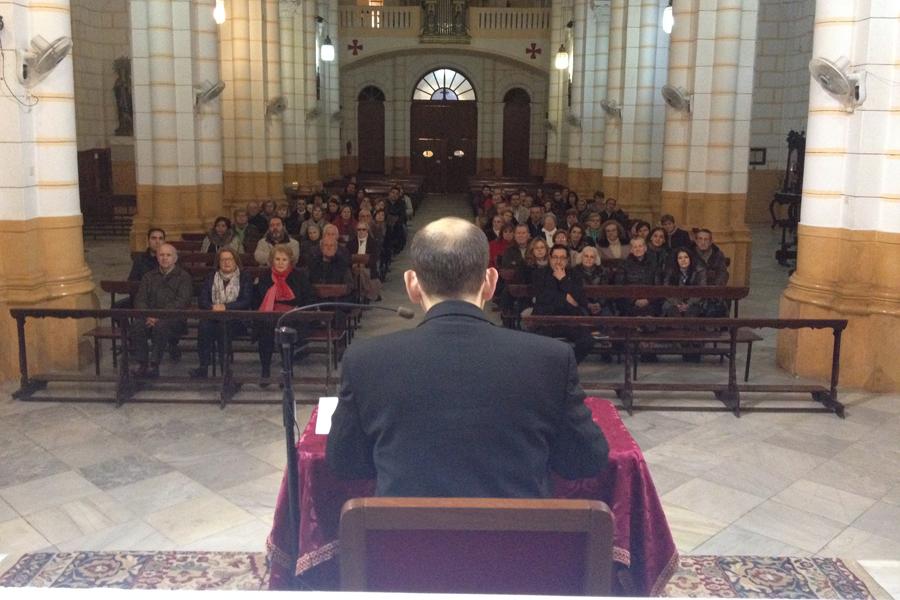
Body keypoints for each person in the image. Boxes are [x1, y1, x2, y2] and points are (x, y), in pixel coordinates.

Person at [326, 217, 608, 498]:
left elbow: (346, 465)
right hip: (515, 540)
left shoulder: (365, 361)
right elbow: (585, 460)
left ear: (412, 284)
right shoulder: (551, 360)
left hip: (408, 541)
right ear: (490, 282)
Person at [129, 243, 193, 378]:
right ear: (157, 258)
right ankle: (142, 364)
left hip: (174, 319)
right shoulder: (149, 276)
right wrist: (148, 315)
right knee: (137, 325)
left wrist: (159, 316)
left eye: (168, 255)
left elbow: (182, 301)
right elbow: (140, 299)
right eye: (161, 255)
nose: (165, 258)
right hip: (148, 318)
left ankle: (154, 365)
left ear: (175, 258)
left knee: (161, 326)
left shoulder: (183, 277)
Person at [189, 248, 254, 378]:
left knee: (222, 326)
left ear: (236, 261)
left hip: (237, 319)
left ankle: (225, 370)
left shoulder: (244, 277)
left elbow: (246, 301)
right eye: (223, 259)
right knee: (204, 325)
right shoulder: (211, 276)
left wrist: (226, 307)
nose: (226, 262)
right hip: (213, 316)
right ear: (218, 262)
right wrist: (213, 307)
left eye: (229, 259)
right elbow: (202, 300)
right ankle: (203, 366)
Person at [254, 244, 316, 380]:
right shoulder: (265, 277)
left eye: (284, 259)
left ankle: (287, 370)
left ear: (290, 261)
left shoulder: (299, 276)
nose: (280, 263)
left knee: (285, 330)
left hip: (294, 317)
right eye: (277, 259)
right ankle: (265, 370)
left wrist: (298, 310)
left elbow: (309, 298)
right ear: (272, 261)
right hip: (270, 316)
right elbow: (258, 299)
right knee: (265, 332)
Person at [531, 245, 594, 363]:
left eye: (562, 258)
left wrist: (563, 279)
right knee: (535, 343)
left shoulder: (575, 274)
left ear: (567, 260)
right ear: (550, 258)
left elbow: (580, 300)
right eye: (555, 257)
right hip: (546, 320)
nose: (558, 261)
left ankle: (569, 365)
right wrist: (566, 297)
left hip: (570, 320)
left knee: (588, 341)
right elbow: (542, 297)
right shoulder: (539, 274)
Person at [692, 228, 730, 317]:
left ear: (710, 241)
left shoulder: (718, 255)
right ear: (696, 241)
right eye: (700, 239)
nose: (703, 242)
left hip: (713, 291)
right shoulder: (690, 254)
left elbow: (722, 273)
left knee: (723, 303)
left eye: (706, 239)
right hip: (695, 290)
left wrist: (714, 289)